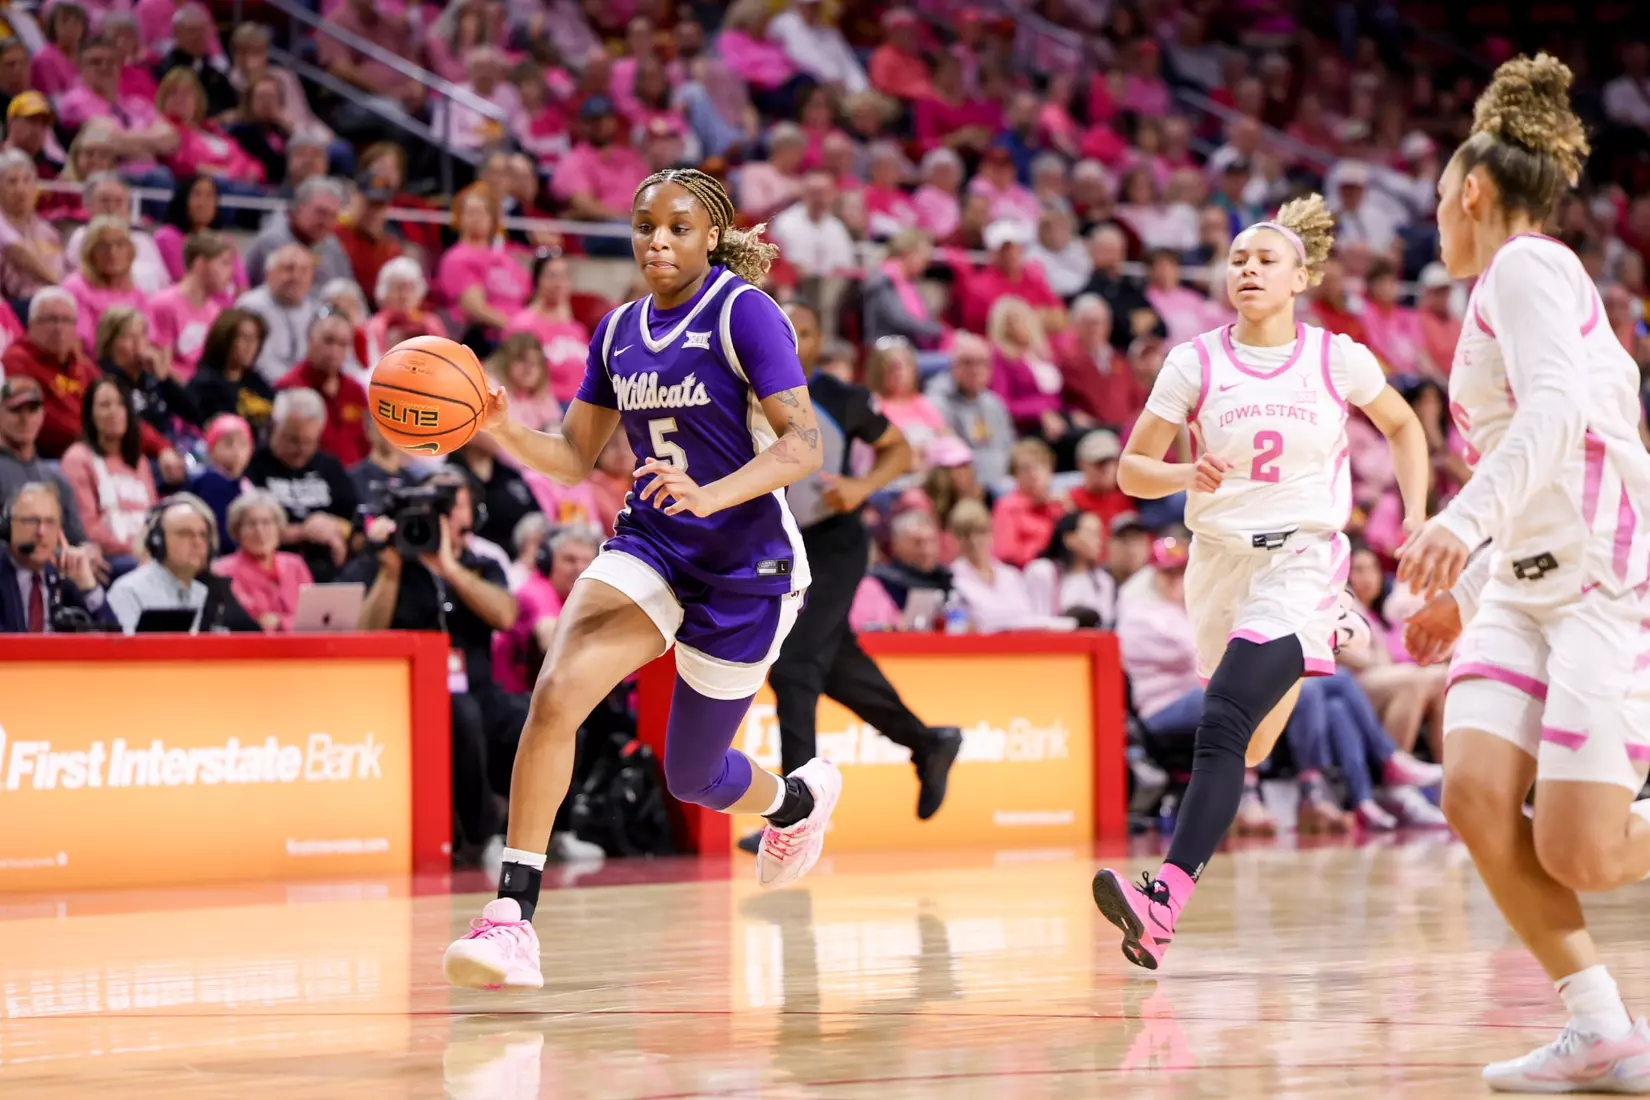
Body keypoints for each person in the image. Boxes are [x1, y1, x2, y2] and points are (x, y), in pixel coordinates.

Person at [443, 167, 838, 992]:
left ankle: (796, 806)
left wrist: (711, 493)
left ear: (711, 236)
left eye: (677, 228)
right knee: (557, 691)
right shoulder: (618, 329)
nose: (657, 241)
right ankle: (512, 917)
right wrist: (501, 426)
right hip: (651, 545)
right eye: (644, 226)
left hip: (745, 569)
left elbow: (805, 446)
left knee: (692, 776)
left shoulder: (744, 313)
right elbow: (572, 457)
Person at [1089, 193, 1430, 971]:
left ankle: (1162, 902)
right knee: (1252, 740)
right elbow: (1132, 469)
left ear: (1299, 277)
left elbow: (1405, 425)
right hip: (1219, 566)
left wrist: (1415, 515)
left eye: (1265, 259)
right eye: (1237, 258)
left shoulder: (1335, 357)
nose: (1247, 268)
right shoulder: (1195, 361)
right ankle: (1322, 633)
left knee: (1221, 722)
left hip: (1301, 558)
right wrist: (1185, 471)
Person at [1398, 55, 1650, 1090]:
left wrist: (1460, 522)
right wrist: (1469, 586)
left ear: (1470, 191)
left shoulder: (1527, 266)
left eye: (1438, 201)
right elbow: (1536, 451)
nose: (1436, 223)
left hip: (1598, 573)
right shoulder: (1507, 291)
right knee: (1473, 793)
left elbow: (1556, 413)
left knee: (1582, 853)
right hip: (1520, 580)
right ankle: (1601, 1028)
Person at [761, 324, 962, 847]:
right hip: (783, 546)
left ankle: (795, 816)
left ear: (816, 342)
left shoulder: (839, 396)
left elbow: (899, 449)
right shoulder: (748, 393)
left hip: (834, 542)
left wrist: (861, 486)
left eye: (805, 330)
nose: (792, 338)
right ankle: (928, 742)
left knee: (795, 666)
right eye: (781, 327)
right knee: (835, 665)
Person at [105, 493, 256, 633]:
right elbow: (125, 651)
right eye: (185, 533)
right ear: (157, 541)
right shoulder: (129, 591)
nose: (197, 542)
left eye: (203, 535)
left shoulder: (203, 594)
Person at [0, 481, 107, 632]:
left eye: (50, 522)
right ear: (7, 527)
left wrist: (88, 587)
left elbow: (115, 639)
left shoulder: (65, 579)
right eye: (31, 521)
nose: (41, 532)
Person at [210, 488, 312, 631]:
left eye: (267, 522)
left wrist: (280, 622)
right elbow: (247, 622)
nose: (260, 531)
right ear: (237, 531)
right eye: (251, 524)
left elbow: (314, 618)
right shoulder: (223, 571)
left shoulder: (295, 564)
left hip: (302, 643)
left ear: (279, 528)